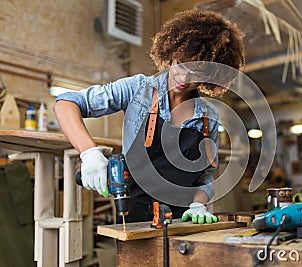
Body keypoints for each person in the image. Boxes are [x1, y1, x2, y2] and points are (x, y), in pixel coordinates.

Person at [53, 10, 245, 224]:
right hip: (133, 213)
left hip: (183, 219)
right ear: (171, 54)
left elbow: (205, 175)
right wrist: (89, 153)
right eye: (181, 64)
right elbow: (66, 103)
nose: (183, 77)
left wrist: (199, 203)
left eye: (196, 72)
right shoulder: (138, 89)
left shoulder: (209, 116)